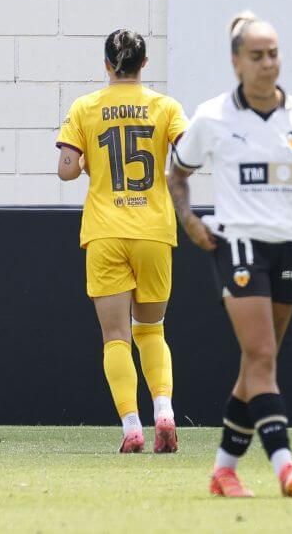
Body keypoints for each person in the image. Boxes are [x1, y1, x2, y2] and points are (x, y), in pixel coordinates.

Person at [168, 11, 292, 497]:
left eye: (273, 54)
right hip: (239, 245)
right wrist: (189, 220)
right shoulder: (213, 117)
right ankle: (284, 466)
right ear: (236, 62)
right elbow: (177, 173)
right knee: (262, 355)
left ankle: (223, 471)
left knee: (255, 367)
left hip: (289, 246)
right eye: (257, 56)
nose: (268, 63)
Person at [56, 28, 187, 453]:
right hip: (154, 230)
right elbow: (189, 155)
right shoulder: (166, 106)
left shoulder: (85, 107)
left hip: (105, 231)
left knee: (116, 337)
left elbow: (66, 170)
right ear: (144, 63)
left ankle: (132, 426)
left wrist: (88, 162)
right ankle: (164, 411)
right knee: (151, 330)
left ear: (106, 64)